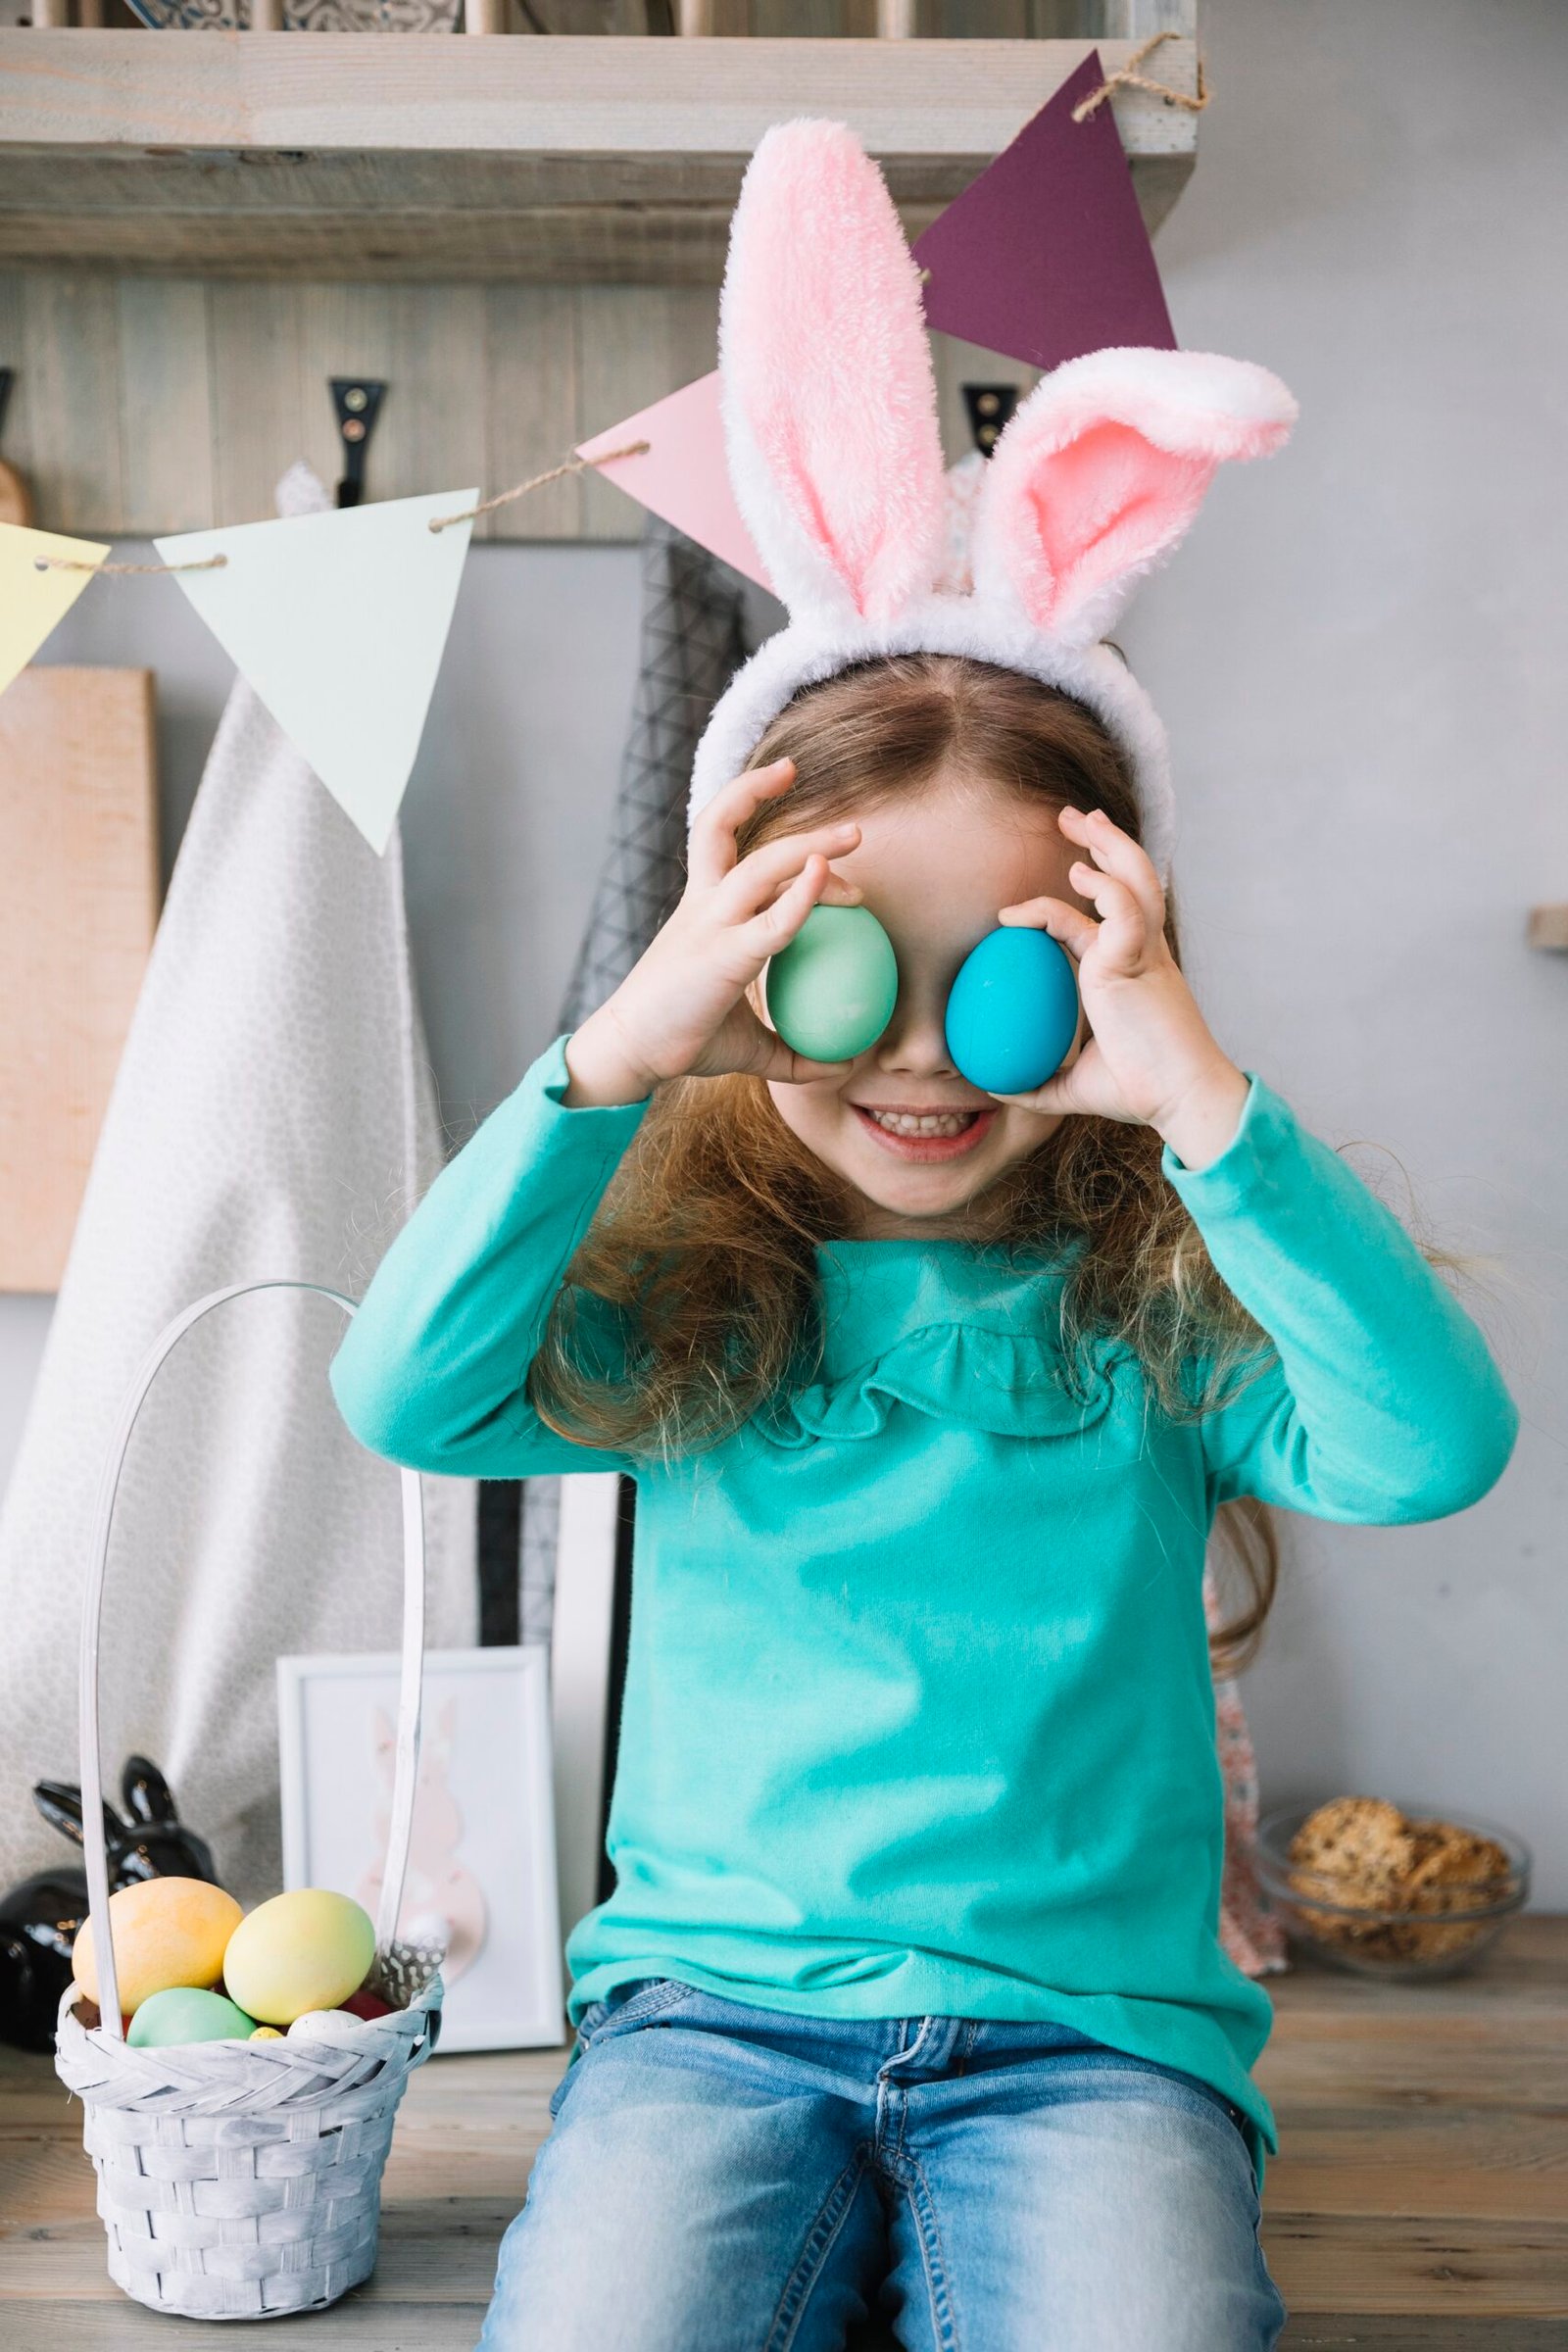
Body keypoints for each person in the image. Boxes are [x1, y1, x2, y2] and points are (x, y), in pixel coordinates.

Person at [327, 123, 1518, 2352]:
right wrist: (619, 1051)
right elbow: (401, 1392)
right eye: (848, 968)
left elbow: (1427, 1448)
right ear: (734, 958)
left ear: (1116, 970)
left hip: (1096, 2050)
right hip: (710, 2026)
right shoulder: (698, 1287)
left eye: (1011, 981)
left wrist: (1204, 1108)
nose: (927, 1063)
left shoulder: (1155, 1289)